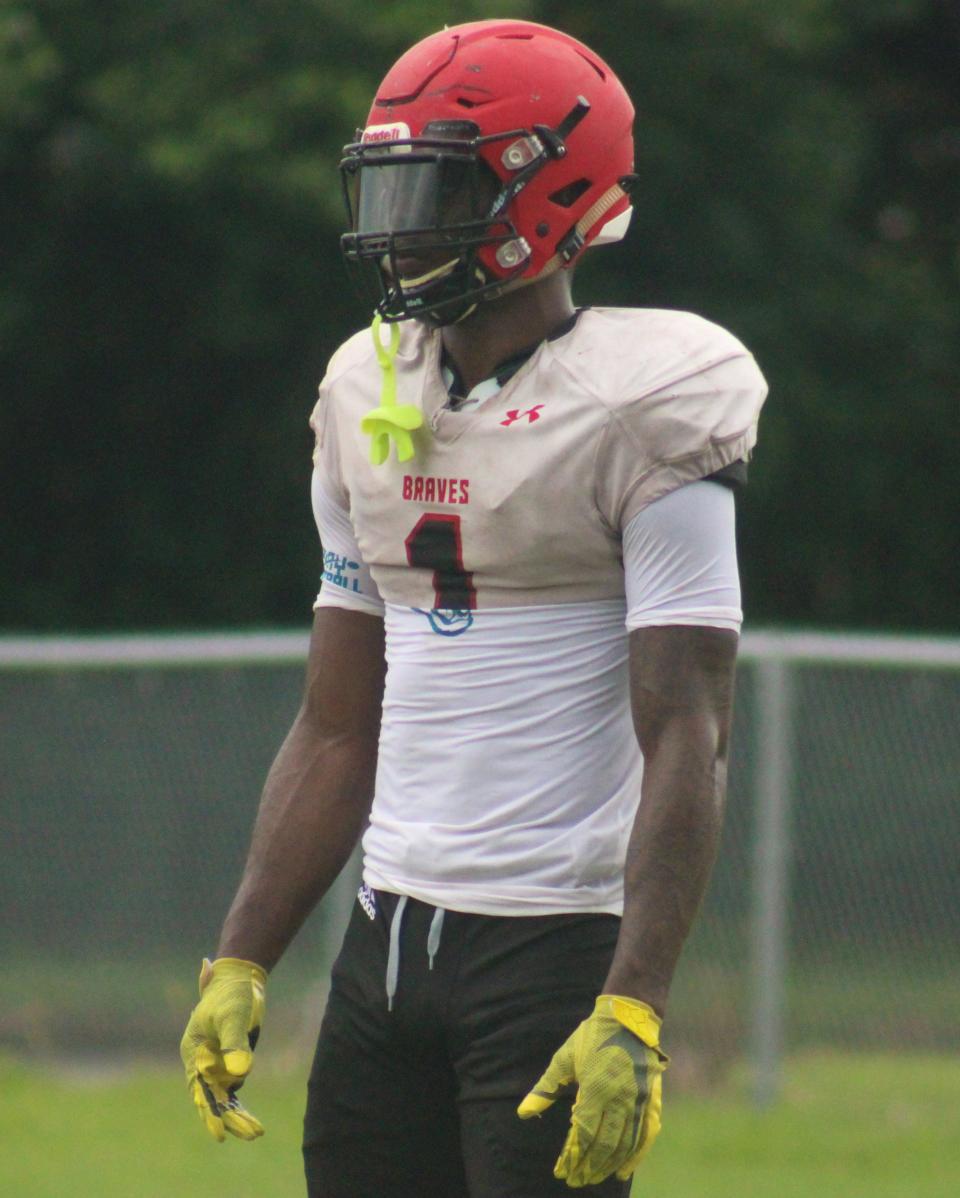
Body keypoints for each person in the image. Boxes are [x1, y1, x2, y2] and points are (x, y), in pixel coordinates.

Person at [180, 17, 767, 1198]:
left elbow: (687, 730)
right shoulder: (366, 389)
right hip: (385, 942)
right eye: (391, 187)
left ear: (545, 200)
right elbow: (338, 721)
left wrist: (634, 1006)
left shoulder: (645, 400)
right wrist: (242, 954)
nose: (401, 230)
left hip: (552, 947)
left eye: (437, 190)